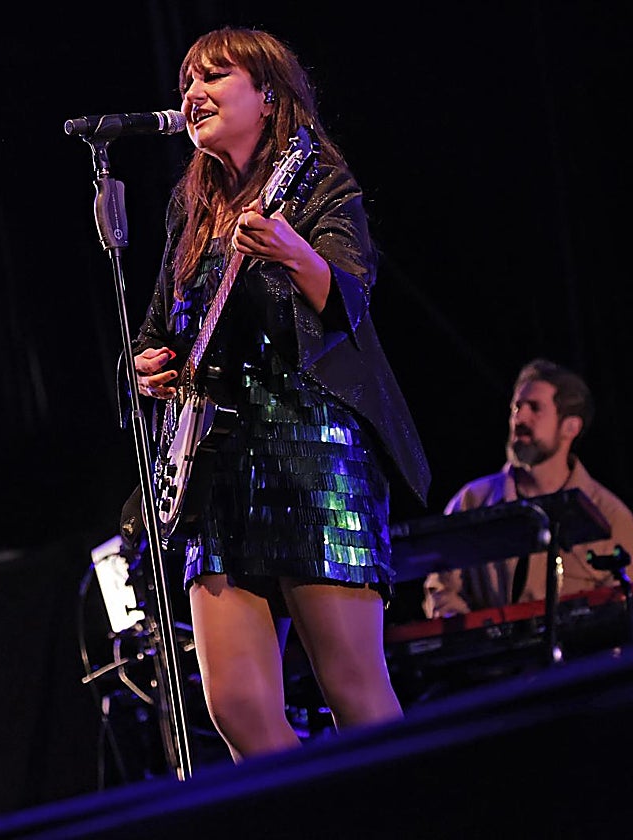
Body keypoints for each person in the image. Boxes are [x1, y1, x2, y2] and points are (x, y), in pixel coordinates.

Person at [131, 27, 431, 762]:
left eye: (213, 77)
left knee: (355, 691)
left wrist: (292, 251)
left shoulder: (319, 182)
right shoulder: (190, 209)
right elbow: (156, 327)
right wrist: (146, 366)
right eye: (186, 83)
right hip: (214, 472)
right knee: (235, 707)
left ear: (268, 96)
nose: (192, 94)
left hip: (312, 456)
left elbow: (348, 301)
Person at [424, 358, 633, 618]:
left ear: (570, 426)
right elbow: (441, 589)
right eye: (516, 407)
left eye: (535, 408)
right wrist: (481, 633)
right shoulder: (472, 500)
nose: (519, 418)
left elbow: (622, 608)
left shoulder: (611, 517)